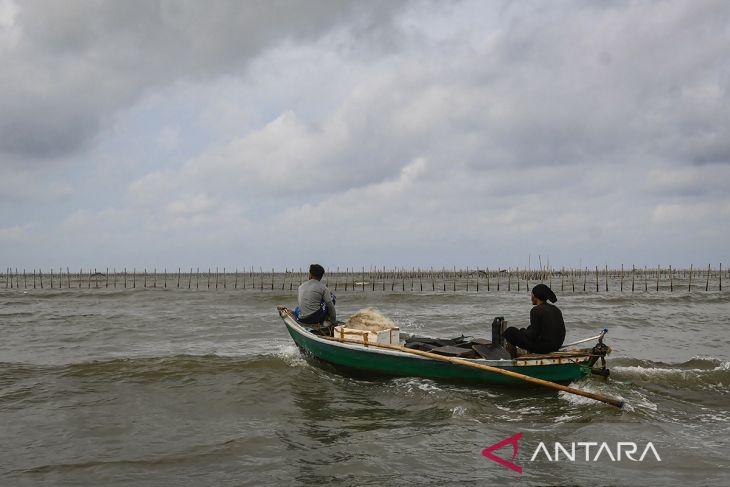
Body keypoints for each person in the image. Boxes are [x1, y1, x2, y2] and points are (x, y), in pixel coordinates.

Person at [503, 284, 565, 355]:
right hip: (557, 345)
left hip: (545, 348)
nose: (531, 298)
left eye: (532, 295)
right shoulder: (555, 309)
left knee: (510, 331)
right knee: (530, 327)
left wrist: (523, 331)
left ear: (536, 297)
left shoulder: (536, 310)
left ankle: (512, 357)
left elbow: (533, 335)